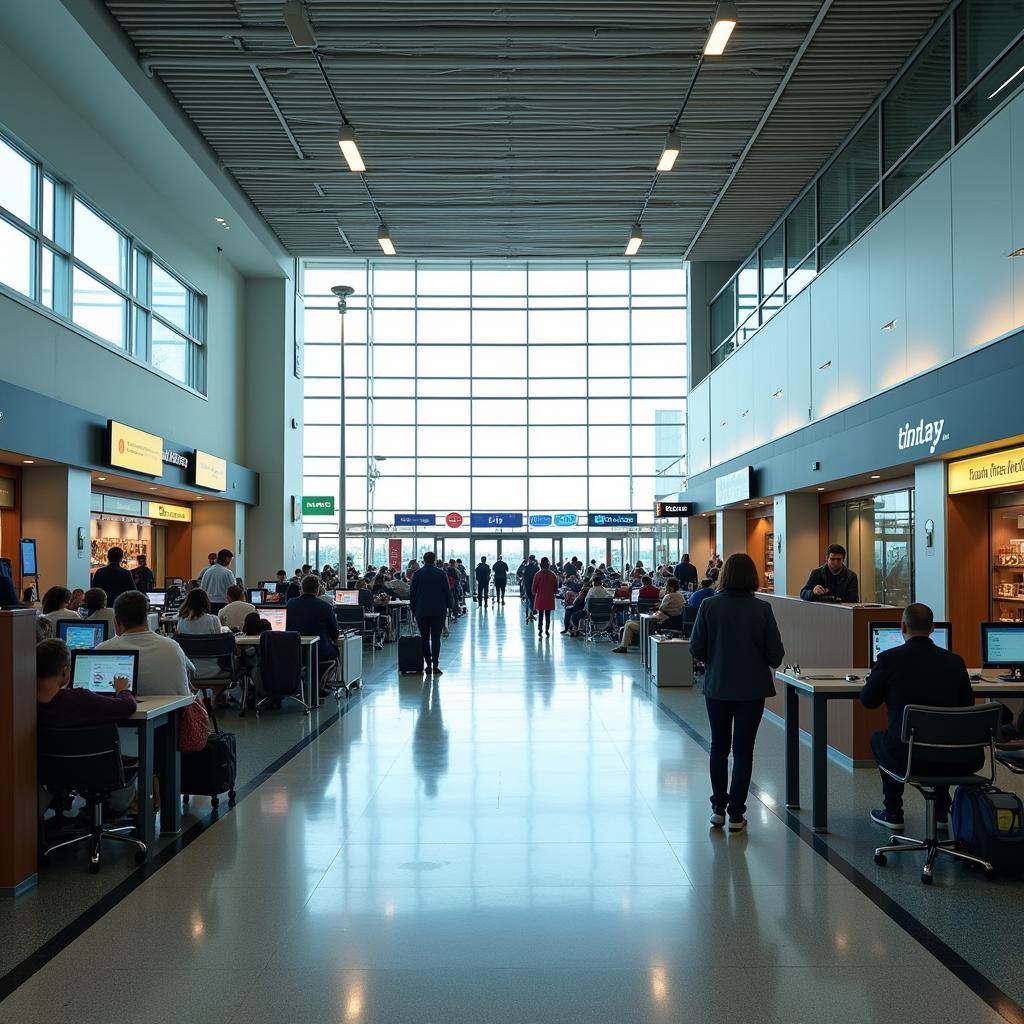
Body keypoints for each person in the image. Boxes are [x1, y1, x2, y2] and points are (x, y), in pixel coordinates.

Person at [860, 602, 979, 830]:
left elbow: (868, 701)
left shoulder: (888, 660)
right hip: (955, 757)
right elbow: (968, 704)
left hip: (907, 756)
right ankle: (942, 811)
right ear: (933, 628)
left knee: (880, 739)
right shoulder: (956, 662)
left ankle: (893, 810)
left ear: (902, 627)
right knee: (941, 738)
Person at [688, 553, 785, 832]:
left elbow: (695, 647)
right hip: (752, 690)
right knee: (744, 751)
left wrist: (714, 659)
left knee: (719, 747)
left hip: (717, 686)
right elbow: (775, 655)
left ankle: (718, 808)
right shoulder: (762, 609)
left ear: (724, 575)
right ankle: (736, 814)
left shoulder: (708, 605)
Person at [36, 638, 137, 815]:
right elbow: (128, 706)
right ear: (66, 672)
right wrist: (123, 690)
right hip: (98, 774)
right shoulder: (80, 699)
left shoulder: (23, 705)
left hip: (49, 776)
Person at [98, 591, 194, 696]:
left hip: (123, 711)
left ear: (117, 620)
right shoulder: (172, 647)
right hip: (171, 711)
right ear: (147, 618)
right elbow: (191, 671)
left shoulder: (102, 650)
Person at [286, 575, 341, 688]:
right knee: (335, 653)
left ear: (301, 588)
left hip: (295, 650)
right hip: (321, 651)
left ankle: (308, 683)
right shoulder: (325, 606)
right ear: (317, 589)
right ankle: (320, 684)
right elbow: (334, 631)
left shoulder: (290, 604)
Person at [409, 551, 455, 675]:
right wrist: (450, 608)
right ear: (434, 560)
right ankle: (435, 664)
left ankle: (427, 664)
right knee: (436, 638)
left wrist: (415, 610)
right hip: (438, 611)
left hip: (422, 611)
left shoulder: (417, 574)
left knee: (424, 638)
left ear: (423, 560)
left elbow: (412, 594)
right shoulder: (441, 573)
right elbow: (447, 592)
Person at [612, 577, 684, 652]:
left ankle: (623, 647)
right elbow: (668, 608)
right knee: (629, 623)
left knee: (628, 624)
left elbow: (661, 609)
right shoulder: (680, 595)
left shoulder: (668, 596)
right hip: (674, 621)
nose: (665, 587)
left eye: (666, 585)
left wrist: (654, 611)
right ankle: (624, 645)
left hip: (660, 622)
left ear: (671, 587)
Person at [531, 557, 558, 636]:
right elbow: (555, 588)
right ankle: (547, 629)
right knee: (548, 614)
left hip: (540, 597)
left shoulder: (537, 575)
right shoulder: (552, 575)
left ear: (541, 565)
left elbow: (533, 588)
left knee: (540, 614)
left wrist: (534, 593)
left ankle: (540, 629)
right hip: (549, 598)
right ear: (548, 565)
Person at [521, 555, 539, 622]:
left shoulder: (526, 568)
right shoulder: (536, 568)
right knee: (532, 600)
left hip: (527, 586)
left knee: (528, 600)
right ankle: (531, 613)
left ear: (529, 559)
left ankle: (528, 614)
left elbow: (523, 576)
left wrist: (523, 584)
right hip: (534, 586)